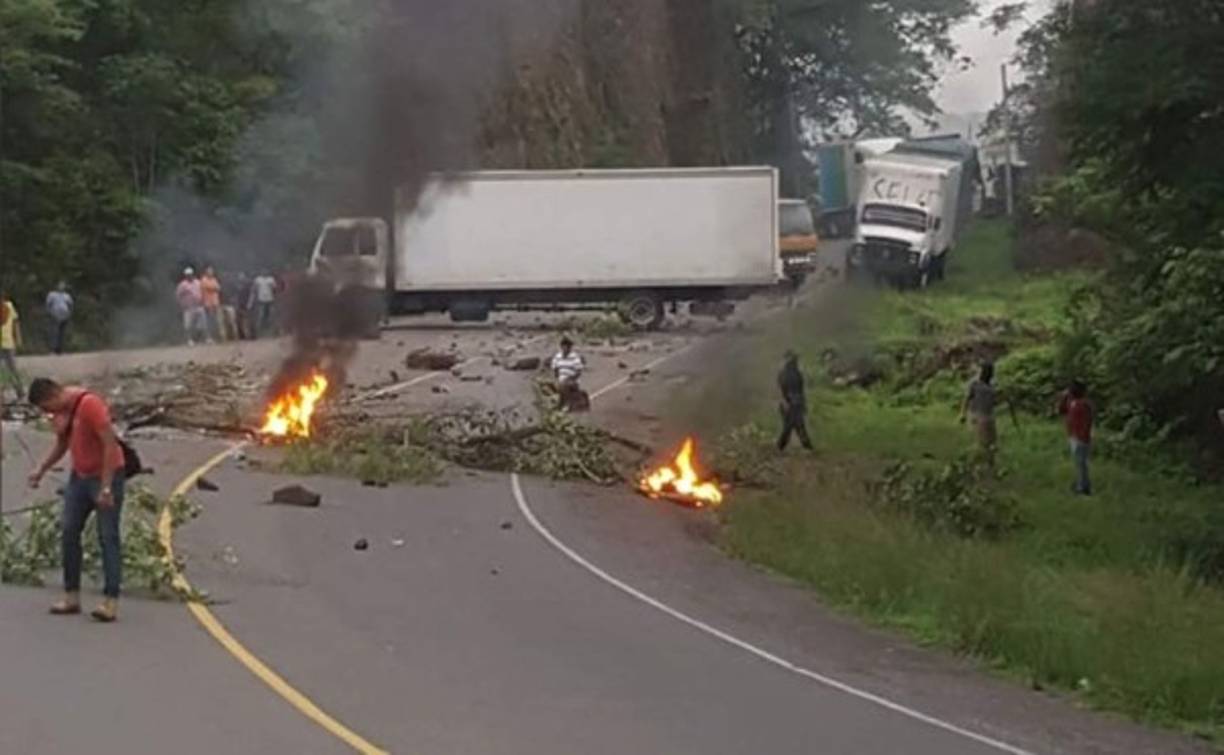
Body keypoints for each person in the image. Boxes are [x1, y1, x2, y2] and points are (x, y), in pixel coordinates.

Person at [26, 378, 127, 622]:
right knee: (69, 531)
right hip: (79, 478)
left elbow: (109, 444)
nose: (47, 414)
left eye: (46, 407)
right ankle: (71, 595)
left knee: (108, 536)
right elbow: (63, 443)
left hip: (106, 476)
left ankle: (110, 601)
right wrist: (41, 469)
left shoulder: (89, 404)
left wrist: (105, 488)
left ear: (53, 395)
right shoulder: (62, 413)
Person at [1058, 379, 1094, 496]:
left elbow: (1087, 422)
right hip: (1073, 435)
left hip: (1081, 437)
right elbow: (1061, 410)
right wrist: (1063, 398)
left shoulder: (1084, 404)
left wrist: (1083, 437)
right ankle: (1081, 483)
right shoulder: (1072, 402)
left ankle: (1084, 487)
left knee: (1081, 463)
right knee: (1078, 463)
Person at [960, 362, 998, 463]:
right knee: (980, 442)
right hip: (977, 415)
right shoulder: (974, 384)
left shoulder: (992, 385)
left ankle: (990, 464)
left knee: (991, 442)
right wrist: (962, 413)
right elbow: (967, 398)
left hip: (989, 416)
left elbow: (994, 402)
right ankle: (977, 464)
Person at [777, 349, 813, 451]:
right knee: (794, 425)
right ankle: (806, 446)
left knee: (794, 425)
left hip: (795, 402)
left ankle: (782, 446)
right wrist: (785, 402)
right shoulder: (786, 374)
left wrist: (802, 403)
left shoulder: (795, 373)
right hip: (790, 402)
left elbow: (800, 390)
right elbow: (781, 389)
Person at [550, 336, 587, 411]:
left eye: (566, 346)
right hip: (560, 378)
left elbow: (578, 372)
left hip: (572, 379)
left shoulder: (575, 357)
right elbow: (555, 368)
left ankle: (567, 403)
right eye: (563, 346)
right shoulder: (558, 356)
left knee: (563, 384)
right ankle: (557, 402)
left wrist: (569, 378)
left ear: (569, 347)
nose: (564, 348)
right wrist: (556, 377)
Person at [0, 288, 24, 400]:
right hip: (5, 343)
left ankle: (19, 390)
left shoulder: (9, 306)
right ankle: (3, 393)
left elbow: (15, 323)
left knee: (12, 368)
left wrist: (18, 337)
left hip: (8, 342)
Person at [175, 268, 207, 346]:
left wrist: (203, 301)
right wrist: (182, 305)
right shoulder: (182, 285)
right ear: (185, 276)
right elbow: (178, 295)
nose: (190, 276)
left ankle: (197, 339)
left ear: (193, 274)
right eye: (188, 275)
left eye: (191, 274)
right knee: (188, 325)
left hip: (199, 306)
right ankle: (189, 340)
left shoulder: (198, 282)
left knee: (201, 325)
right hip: (189, 307)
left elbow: (202, 292)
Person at [45, 281, 74, 355]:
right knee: (54, 333)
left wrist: (69, 313)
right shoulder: (52, 294)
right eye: (60, 285)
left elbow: (70, 304)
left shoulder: (66, 295)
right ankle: (53, 350)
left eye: (63, 286)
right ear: (57, 286)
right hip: (55, 315)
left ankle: (61, 350)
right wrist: (50, 313)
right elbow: (48, 304)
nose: (61, 287)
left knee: (62, 333)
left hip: (64, 316)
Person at [249, 270, 278, 338]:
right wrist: (252, 300)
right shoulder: (258, 280)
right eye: (263, 272)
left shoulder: (271, 279)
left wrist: (275, 297)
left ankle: (273, 332)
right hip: (261, 300)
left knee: (271, 316)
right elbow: (254, 290)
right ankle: (258, 332)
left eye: (265, 272)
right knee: (260, 316)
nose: (264, 273)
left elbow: (275, 289)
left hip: (270, 300)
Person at [200, 266, 223, 342]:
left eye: (212, 271)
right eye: (209, 271)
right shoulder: (204, 280)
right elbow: (211, 287)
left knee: (216, 321)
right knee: (209, 322)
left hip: (215, 303)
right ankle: (209, 337)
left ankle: (218, 336)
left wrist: (215, 287)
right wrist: (215, 287)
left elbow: (219, 288)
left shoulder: (214, 279)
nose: (211, 273)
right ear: (206, 272)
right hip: (208, 303)